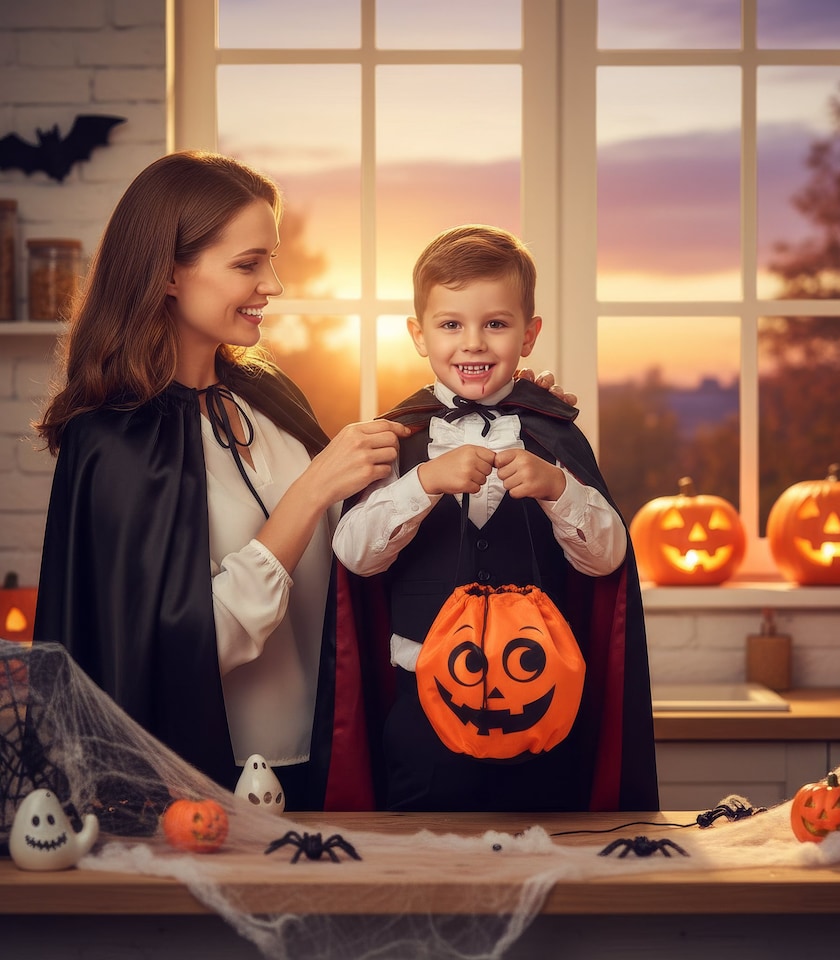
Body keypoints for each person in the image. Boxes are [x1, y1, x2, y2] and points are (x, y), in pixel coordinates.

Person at [32, 153, 572, 812]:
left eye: (271, 260)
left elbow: (363, 534)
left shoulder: (266, 393)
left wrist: (503, 408)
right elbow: (180, 652)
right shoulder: (113, 441)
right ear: (170, 273)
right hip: (212, 782)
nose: (274, 284)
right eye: (247, 264)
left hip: (335, 754)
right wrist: (313, 489)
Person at [333, 224, 659, 812]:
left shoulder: (555, 434)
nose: (474, 343)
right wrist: (425, 483)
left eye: (497, 324)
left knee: (541, 853)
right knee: (426, 857)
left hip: (543, 702)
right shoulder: (398, 438)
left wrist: (557, 487)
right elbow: (355, 554)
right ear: (418, 334)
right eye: (451, 324)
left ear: (529, 335)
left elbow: (607, 557)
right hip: (422, 702)